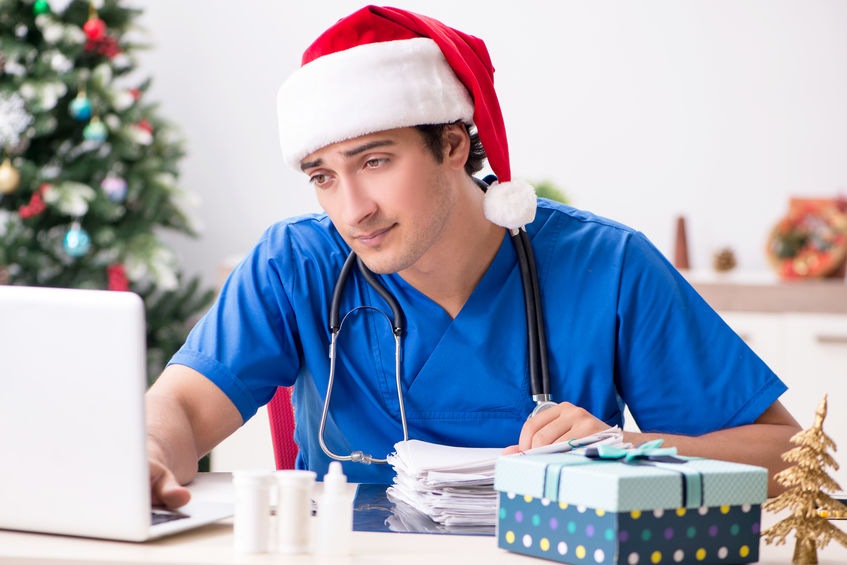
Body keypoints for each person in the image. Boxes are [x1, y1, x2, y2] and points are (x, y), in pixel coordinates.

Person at [146, 5, 800, 509]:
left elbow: (787, 457)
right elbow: (178, 407)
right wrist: (145, 453)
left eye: (375, 161)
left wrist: (624, 453)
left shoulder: (609, 266)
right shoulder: (295, 264)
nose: (352, 210)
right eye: (322, 175)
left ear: (453, 144)